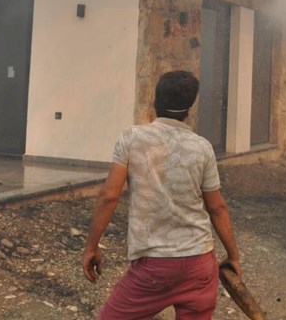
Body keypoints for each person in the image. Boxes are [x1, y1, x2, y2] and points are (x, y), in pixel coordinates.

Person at [81, 70, 241, 320]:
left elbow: (109, 196)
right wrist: (233, 256)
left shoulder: (131, 138)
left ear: (155, 102)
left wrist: (91, 246)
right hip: (200, 264)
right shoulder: (203, 148)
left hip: (154, 267)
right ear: (190, 109)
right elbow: (217, 207)